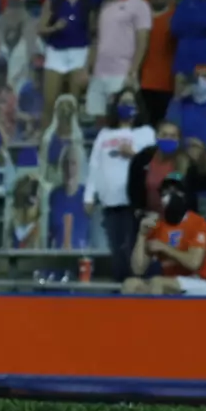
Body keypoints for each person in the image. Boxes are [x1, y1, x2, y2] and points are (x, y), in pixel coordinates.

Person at [85, 90, 156, 279]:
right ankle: (121, 293)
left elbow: (154, 163)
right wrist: (89, 196)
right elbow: (94, 165)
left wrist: (134, 154)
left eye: (131, 103)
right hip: (110, 202)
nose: (127, 106)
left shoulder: (146, 133)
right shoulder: (104, 134)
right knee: (116, 250)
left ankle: (136, 292)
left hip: (133, 202)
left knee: (133, 249)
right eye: (123, 102)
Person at [124, 179, 206, 296]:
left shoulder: (198, 222)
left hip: (200, 282)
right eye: (165, 192)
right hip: (169, 282)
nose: (169, 196)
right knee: (130, 284)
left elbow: (194, 263)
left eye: (175, 192)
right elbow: (138, 269)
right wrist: (141, 235)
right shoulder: (156, 225)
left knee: (157, 282)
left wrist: (164, 247)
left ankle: (159, 314)